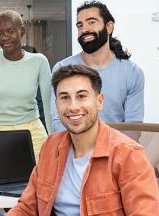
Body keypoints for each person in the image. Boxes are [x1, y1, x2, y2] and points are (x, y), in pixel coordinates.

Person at [0, 64, 159, 216]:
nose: (73, 106)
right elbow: (28, 208)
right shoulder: (51, 146)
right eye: (65, 98)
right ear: (56, 105)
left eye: (81, 96)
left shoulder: (128, 154)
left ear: (99, 101)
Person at [50, 0, 144, 132]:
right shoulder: (62, 68)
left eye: (91, 22)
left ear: (109, 27)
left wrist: (114, 151)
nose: (84, 29)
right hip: (75, 148)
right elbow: (58, 120)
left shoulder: (132, 72)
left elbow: (133, 127)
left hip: (116, 149)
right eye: (80, 25)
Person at [0, 10, 53, 162]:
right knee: (3, 184)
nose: (5, 37)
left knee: (41, 181)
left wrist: (54, 139)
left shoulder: (39, 61)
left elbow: (50, 106)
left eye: (11, 31)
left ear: (22, 31)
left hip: (34, 133)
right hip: (0, 132)